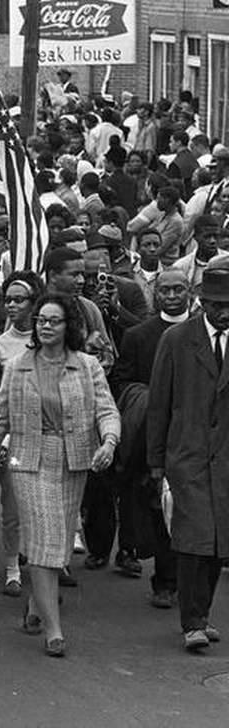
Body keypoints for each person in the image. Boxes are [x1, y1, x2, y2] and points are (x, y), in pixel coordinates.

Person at [0, 293, 120, 658]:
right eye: (41, 319)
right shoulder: (18, 366)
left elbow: (106, 410)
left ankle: (35, 606)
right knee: (44, 538)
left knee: (57, 541)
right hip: (27, 461)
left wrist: (109, 442)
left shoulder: (87, 366)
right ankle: (54, 630)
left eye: (53, 320)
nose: (45, 326)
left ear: (68, 325)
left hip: (73, 462)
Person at [147, 266, 229, 652]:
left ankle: (203, 613)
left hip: (225, 460)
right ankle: (191, 621)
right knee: (193, 539)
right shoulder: (177, 339)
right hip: (187, 455)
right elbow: (159, 403)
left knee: (218, 542)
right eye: (216, 306)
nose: (223, 313)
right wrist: (156, 460)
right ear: (202, 303)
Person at [110, 269, 191, 610]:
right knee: (159, 511)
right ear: (155, 293)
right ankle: (165, 581)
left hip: (196, 437)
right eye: (165, 290)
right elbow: (121, 383)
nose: (171, 296)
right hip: (153, 437)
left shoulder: (206, 329)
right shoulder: (138, 335)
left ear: (189, 291)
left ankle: (190, 582)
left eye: (178, 289)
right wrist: (148, 400)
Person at [0, 272, 45, 596]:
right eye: (8, 299)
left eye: (19, 299)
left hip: (49, 432)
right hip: (14, 434)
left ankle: (46, 564)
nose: (12, 305)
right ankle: (12, 565)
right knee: (12, 507)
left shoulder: (50, 337)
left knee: (44, 506)